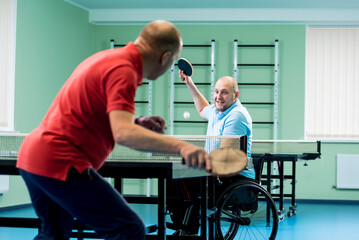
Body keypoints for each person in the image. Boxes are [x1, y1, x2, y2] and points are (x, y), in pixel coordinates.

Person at [16, 20, 210, 240]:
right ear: (165, 58)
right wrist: (182, 148)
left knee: (53, 234)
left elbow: (96, 111)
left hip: (34, 156)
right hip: (61, 160)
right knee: (128, 229)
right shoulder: (124, 70)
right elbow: (123, 133)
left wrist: (137, 122)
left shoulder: (109, 59)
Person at [167, 72, 255, 236]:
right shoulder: (216, 111)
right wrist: (189, 82)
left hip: (235, 178)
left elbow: (224, 157)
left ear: (235, 95)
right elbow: (202, 108)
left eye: (224, 92)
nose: (218, 96)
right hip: (217, 172)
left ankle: (188, 228)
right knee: (174, 178)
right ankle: (185, 226)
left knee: (182, 179)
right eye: (216, 91)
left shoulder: (236, 116)